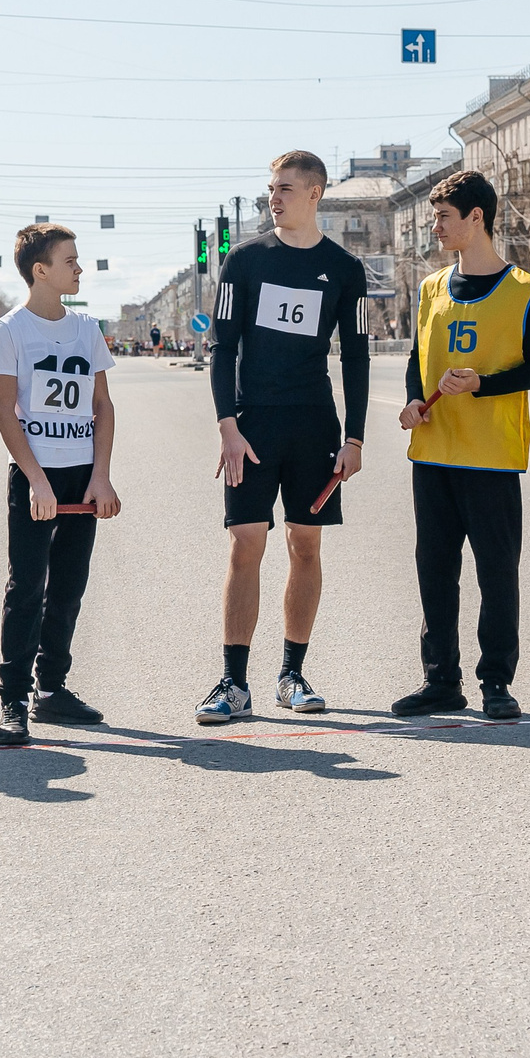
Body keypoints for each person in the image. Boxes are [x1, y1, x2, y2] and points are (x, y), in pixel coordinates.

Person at [198, 151, 370, 725]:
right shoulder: (243, 261)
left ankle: (292, 674)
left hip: (315, 425)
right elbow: (223, 349)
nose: (274, 198)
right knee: (246, 542)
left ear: (316, 193)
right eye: (270, 188)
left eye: (287, 189)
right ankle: (232, 682)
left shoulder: (345, 269)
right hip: (253, 425)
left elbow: (359, 356)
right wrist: (227, 424)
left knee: (306, 545)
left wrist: (356, 438)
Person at [393, 168, 530, 721]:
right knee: (435, 571)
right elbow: (418, 358)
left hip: (492, 456)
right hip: (433, 453)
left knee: (496, 573)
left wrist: (483, 383)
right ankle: (440, 681)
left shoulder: (527, 290)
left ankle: (496, 682)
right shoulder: (432, 288)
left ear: (476, 218)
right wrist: (413, 400)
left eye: (443, 217)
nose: (434, 227)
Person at [0, 222, 121, 747]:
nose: (80, 268)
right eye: (71, 261)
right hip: (35, 478)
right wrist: (37, 481)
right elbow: (3, 411)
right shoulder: (10, 331)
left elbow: (102, 405)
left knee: (68, 587)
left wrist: (101, 475)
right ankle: (14, 699)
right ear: (40, 271)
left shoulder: (86, 328)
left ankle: (52, 689)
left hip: (83, 477)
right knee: (27, 588)